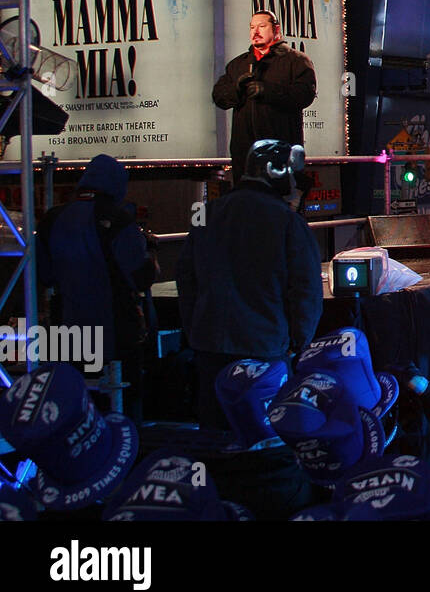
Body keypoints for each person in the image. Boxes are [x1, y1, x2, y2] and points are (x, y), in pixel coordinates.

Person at [177, 140, 323, 430]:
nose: (295, 182)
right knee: (264, 439)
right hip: (265, 349)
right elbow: (306, 290)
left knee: (216, 436)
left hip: (209, 348)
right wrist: (299, 340)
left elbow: (186, 278)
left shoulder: (206, 214)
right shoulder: (287, 222)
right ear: (274, 170)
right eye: (292, 173)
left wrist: (195, 330)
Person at [35, 154, 157, 420]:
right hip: (115, 332)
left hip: (65, 331)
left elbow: (44, 275)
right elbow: (140, 276)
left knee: (74, 403)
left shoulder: (52, 219)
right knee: (119, 401)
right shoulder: (120, 221)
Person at [212, 10, 316, 183]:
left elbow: (304, 95)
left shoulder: (296, 61)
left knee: (278, 203)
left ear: (276, 29)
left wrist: (267, 91)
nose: (256, 31)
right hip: (244, 156)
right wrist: (237, 89)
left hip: (280, 153)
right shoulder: (239, 64)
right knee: (246, 204)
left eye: (262, 26)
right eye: (252, 27)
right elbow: (218, 97)